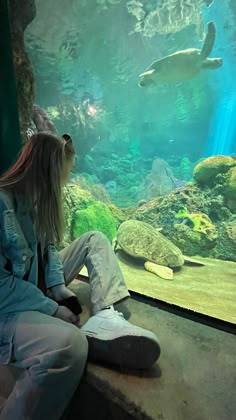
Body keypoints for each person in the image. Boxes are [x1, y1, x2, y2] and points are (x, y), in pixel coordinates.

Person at [0, 132, 160, 420]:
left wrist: (58, 287)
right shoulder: (2, 204)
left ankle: (107, 316)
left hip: (34, 282)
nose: (68, 180)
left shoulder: (38, 200)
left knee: (95, 239)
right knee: (69, 346)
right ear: (48, 170)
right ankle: (87, 336)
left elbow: (48, 248)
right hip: (8, 304)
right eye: (66, 172)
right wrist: (51, 308)